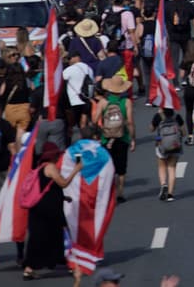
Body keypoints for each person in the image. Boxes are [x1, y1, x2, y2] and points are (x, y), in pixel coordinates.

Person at [23, 142, 80, 281]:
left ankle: (29, 268)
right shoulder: (51, 167)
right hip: (50, 210)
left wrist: (63, 197)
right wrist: (76, 169)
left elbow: (50, 188)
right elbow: (63, 183)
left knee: (37, 238)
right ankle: (70, 264)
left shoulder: (40, 168)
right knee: (60, 235)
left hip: (37, 208)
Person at [91, 67, 136, 203]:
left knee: (107, 166)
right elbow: (129, 121)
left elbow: (94, 119)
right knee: (121, 168)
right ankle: (120, 193)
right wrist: (132, 138)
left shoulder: (103, 102)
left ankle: (107, 193)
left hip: (106, 137)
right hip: (122, 137)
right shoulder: (126, 102)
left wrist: (100, 130)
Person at [151, 106, 185, 201]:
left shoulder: (158, 116)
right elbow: (184, 131)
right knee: (172, 168)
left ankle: (163, 184)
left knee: (162, 166)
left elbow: (151, 129)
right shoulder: (177, 117)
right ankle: (170, 194)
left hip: (162, 145)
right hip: (175, 146)